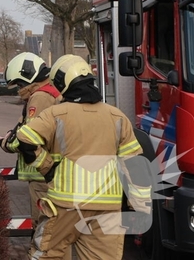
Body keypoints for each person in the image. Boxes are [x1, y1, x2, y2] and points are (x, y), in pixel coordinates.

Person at [15, 55, 151, 260]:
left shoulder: (55, 114)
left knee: (47, 255)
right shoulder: (117, 117)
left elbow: (25, 139)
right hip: (107, 212)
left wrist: (47, 168)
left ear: (62, 83)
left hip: (65, 206)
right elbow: (135, 166)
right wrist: (140, 208)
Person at [0, 52, 61, 243]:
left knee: (44, 228)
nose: (19, 89)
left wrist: (6, 143)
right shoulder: (51, 92)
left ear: (27, 77)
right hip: (48, 173)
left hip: (43, 175)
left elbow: (29, 136)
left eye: (19, 84)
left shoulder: (40, 97)